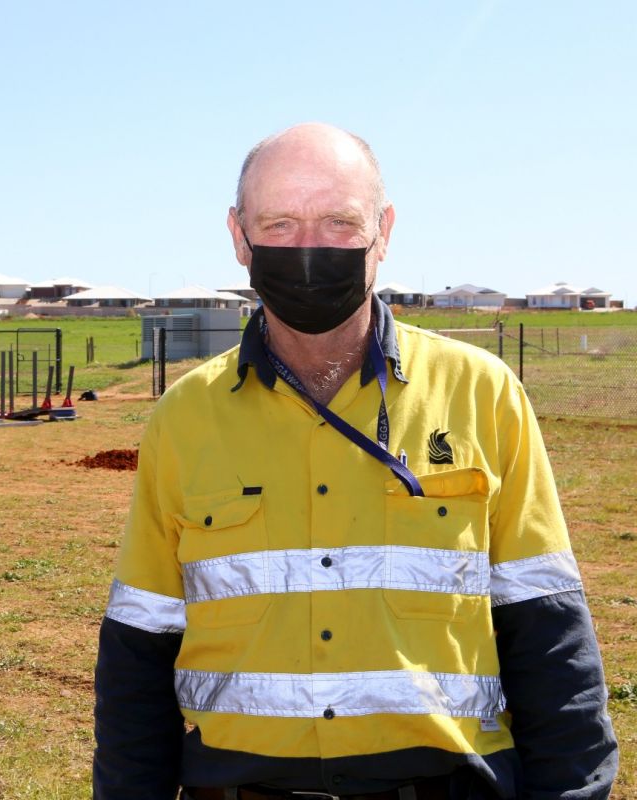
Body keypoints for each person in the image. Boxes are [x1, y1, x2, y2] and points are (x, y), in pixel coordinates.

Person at [93, 123, 617, 800]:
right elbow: (140, 648)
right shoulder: (184, 416)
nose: (309, 248)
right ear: (238, 236)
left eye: (340, 221)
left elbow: (550, 640)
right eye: (279, 222)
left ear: (384, 230)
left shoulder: (484, 394)